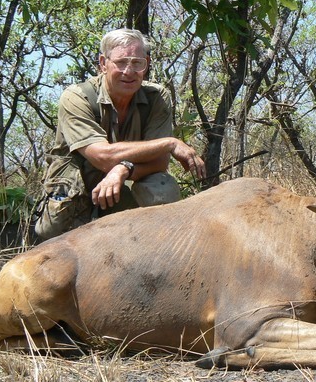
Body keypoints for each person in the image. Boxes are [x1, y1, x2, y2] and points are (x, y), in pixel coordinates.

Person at [35, 28, 205, 239]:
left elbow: (159, 164)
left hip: (117, 185)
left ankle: (155, 246)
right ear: (103, 63)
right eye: (121, 62)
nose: (129, 71)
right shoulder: (77, 97)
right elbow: (102, 156)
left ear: (147, 64)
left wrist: (124, 169)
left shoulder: (156, 97)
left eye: (137, 63)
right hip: (77, 187)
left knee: (162, 185)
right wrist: (170, 143)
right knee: (53, 241)